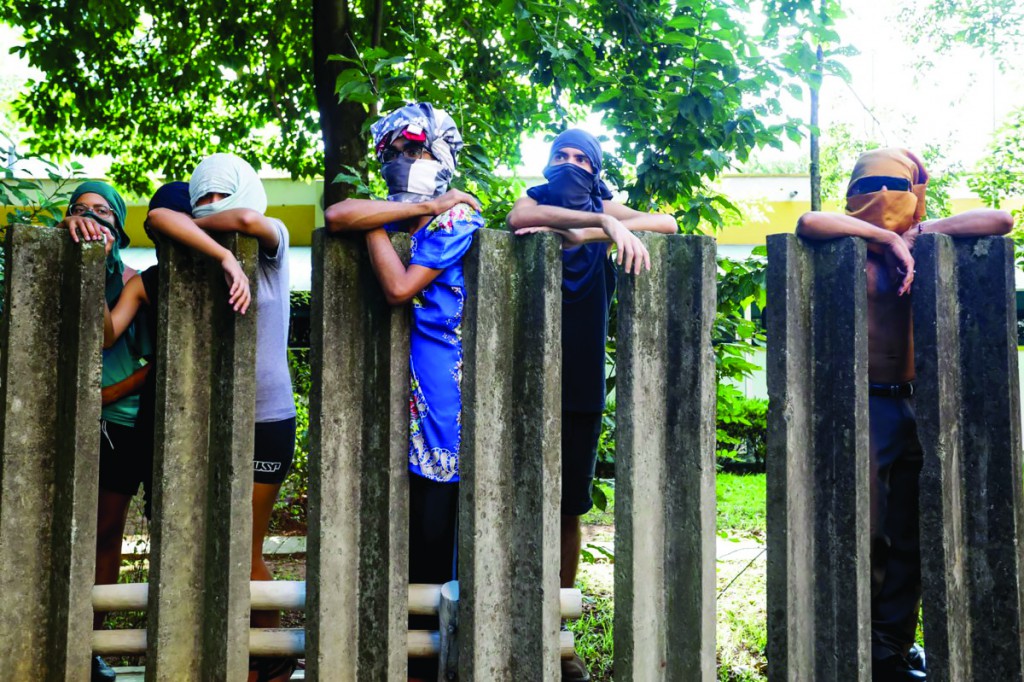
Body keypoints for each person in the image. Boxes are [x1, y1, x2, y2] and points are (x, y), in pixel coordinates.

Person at [796, 148, 1013, 682]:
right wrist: (888, 236)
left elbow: (1001, 220)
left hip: (915, 403)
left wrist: (920, 226)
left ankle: (892, 649)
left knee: (911, 533)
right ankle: (858, 644)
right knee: (866, 533)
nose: (883, 194)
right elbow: (806, 221)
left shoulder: (928, 236)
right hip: (863, 403)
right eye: (870, 183)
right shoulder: (847, 241)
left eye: (897, 184)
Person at [505, 129, 677, 681]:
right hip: (520, 382)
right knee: (512, 499)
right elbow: (514, 219)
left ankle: (560, 637)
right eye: (563, 156)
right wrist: (601, 227)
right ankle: (506, 621)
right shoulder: (533, 199)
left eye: (583, 159)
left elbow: (668, 223)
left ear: (596, 170)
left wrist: (603, 226)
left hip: (579, 385)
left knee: (568, 507)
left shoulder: (603, 206)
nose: (571, 165)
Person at [324, 102, 480, 682]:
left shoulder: (457, 220)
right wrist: (403, 210)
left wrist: (384, 222)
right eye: (396, 152)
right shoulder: (421, 212)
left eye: (418, 152)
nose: (406, 161)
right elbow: (339, 212)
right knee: (412, 522)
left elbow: (396, 287)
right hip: (415, 388)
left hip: (448, 392)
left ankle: (433, 660)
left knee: (436, 528)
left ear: (442, 158)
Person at [126, 155, 294, 682]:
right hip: (210, 423)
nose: (214, 206)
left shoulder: (273, 245)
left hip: (268, 418)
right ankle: (242, 655)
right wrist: (221, 257)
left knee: (242, 549)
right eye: (205, 196)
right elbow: (156, 219)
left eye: (225, 194)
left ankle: (273, 660)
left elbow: (246, 222)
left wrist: (213, 233)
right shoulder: (198, 260)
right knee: (210, 548)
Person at [58, 180, 152, 682]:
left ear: (117, 224)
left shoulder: (136, 279)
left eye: (102, 211)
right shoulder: (57, 269)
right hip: (66, 423)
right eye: (81, 210)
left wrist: (109, 395)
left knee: (106, 533)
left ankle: (92, 644)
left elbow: (109, 337)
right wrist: (80, 262)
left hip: (121, 426)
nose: (92, 218)